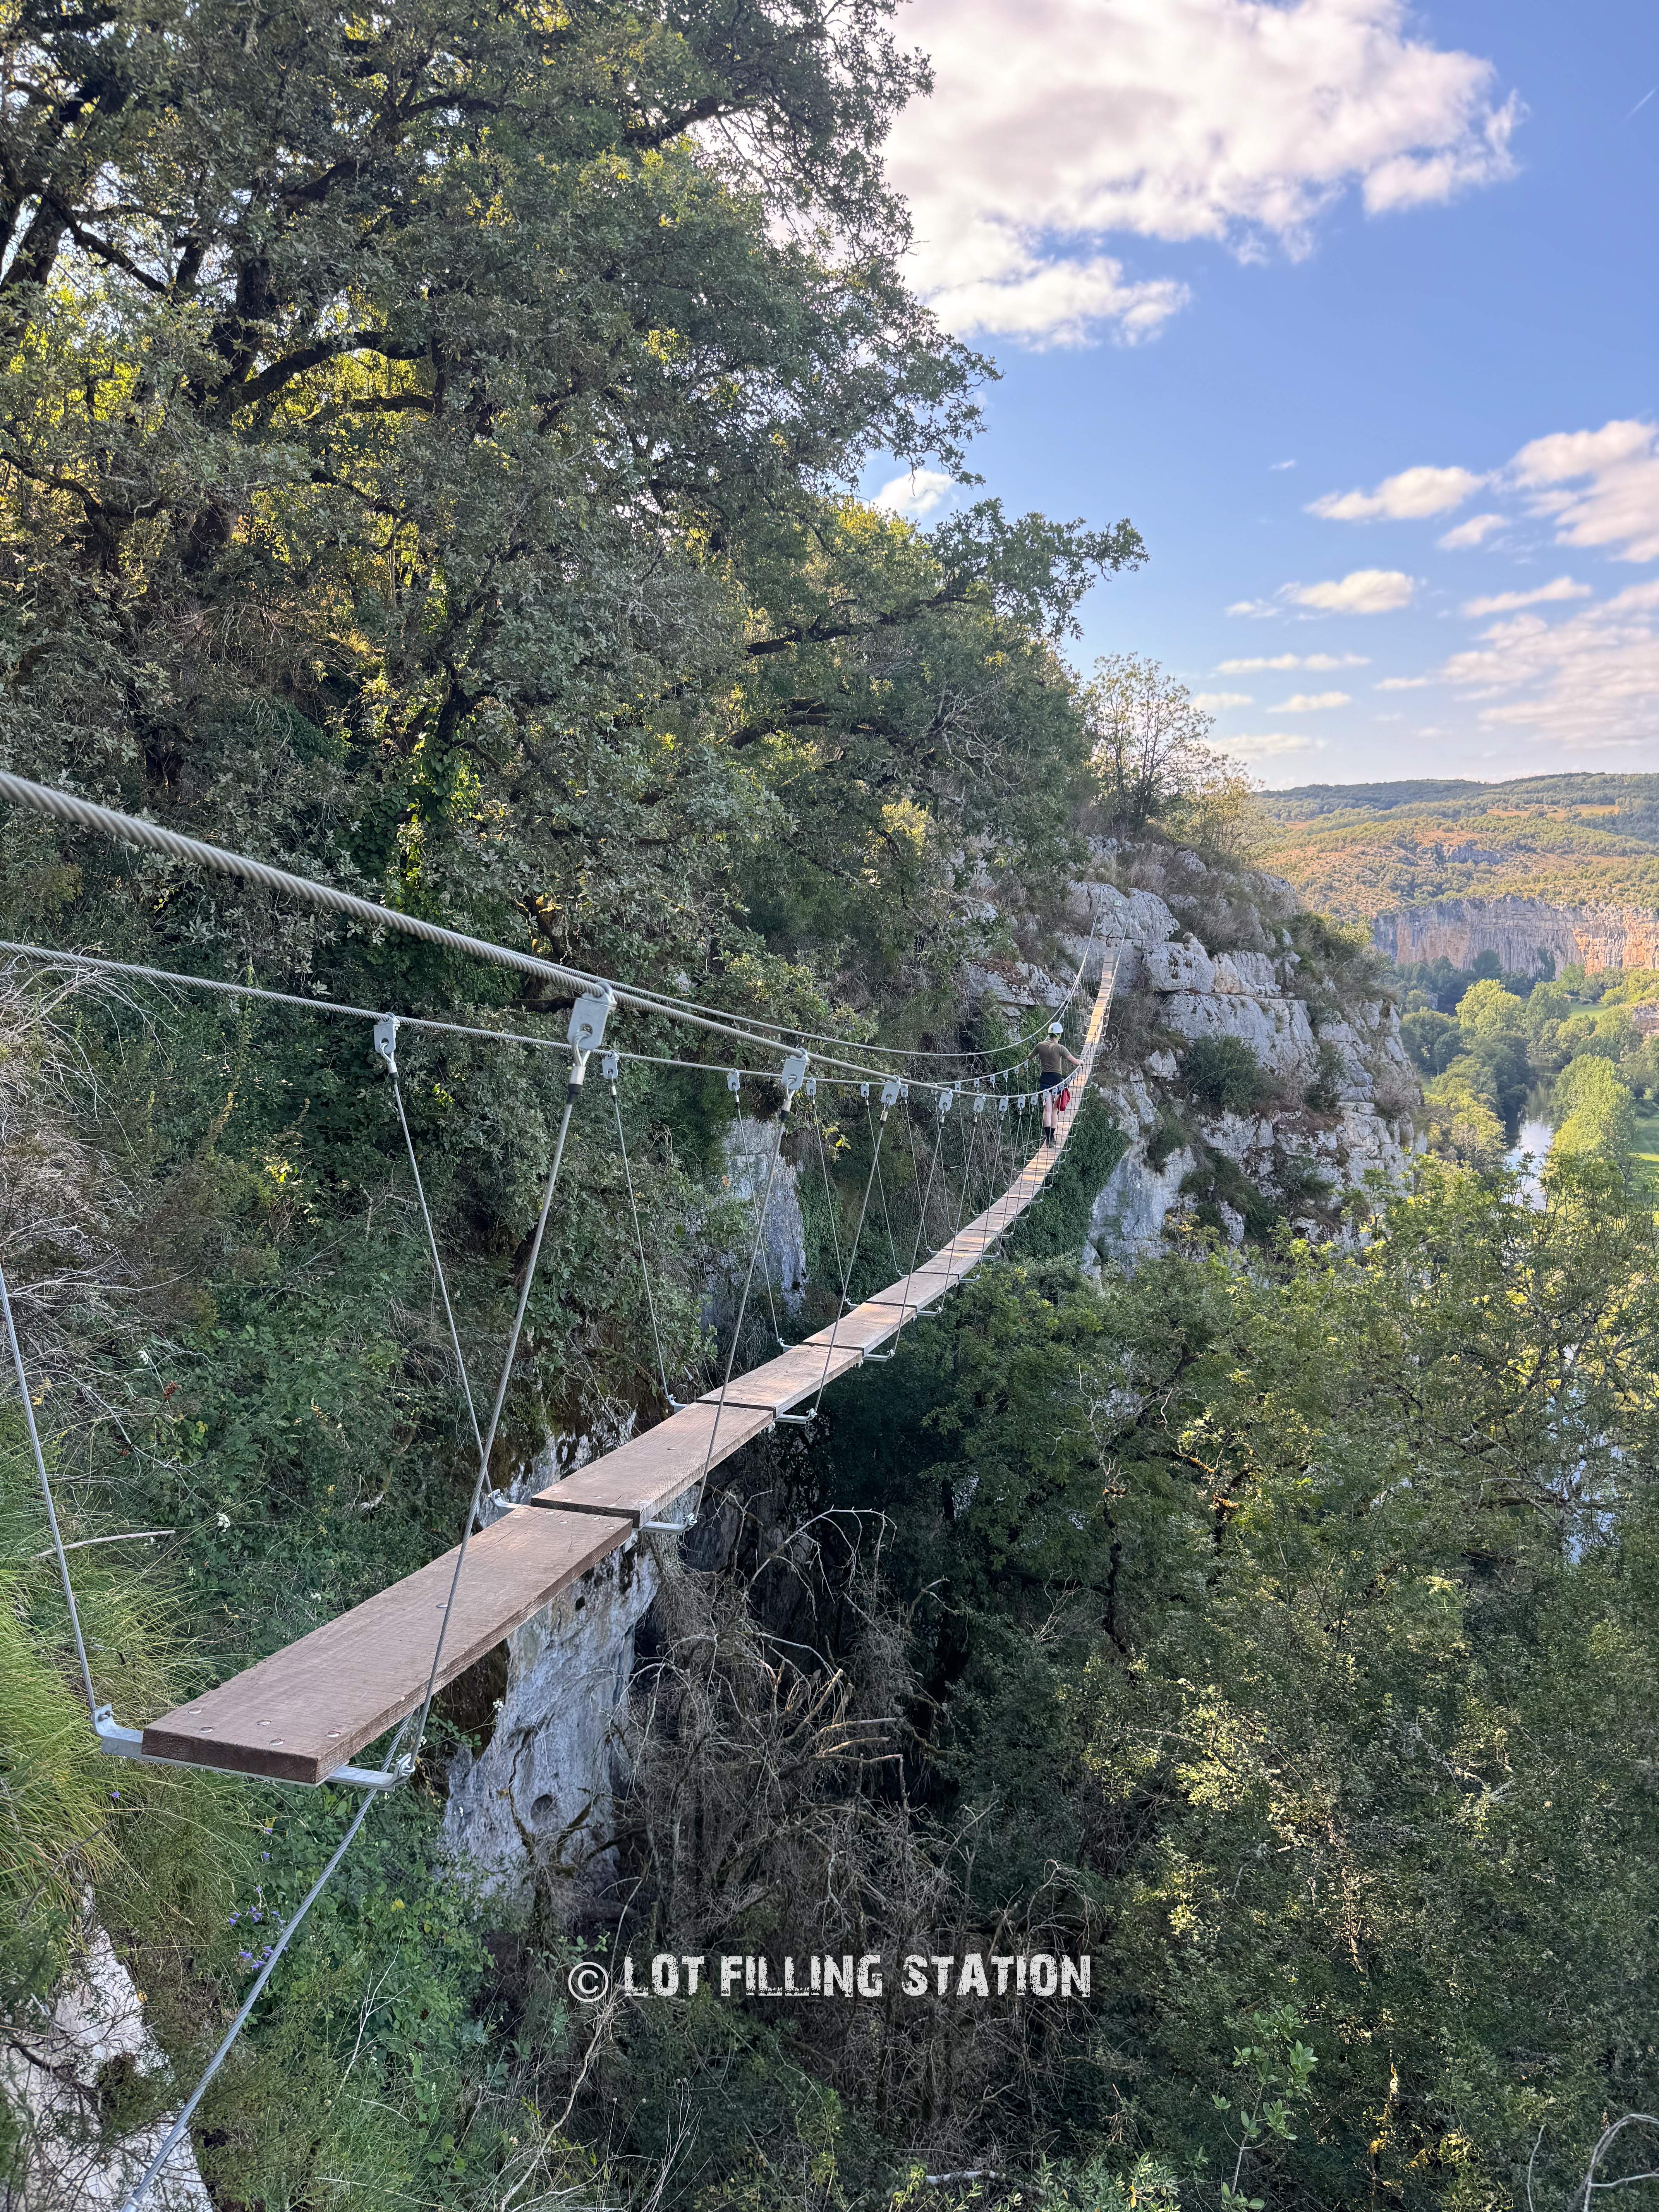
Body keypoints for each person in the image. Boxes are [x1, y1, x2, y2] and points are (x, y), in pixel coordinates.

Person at [1036, 1021, 1082, 1146]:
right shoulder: (1061, 1048)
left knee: (1047, 1111)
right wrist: (1081, 1062)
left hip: (1044, 1082)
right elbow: (1075, 1062)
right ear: (1059, 1035)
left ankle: (1048, 1138)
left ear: (1049, 1034)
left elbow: (1030, 1057)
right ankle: (1051, 1139)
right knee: (1055, 1111)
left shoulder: (1040, 1045)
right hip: (1057, 1083)